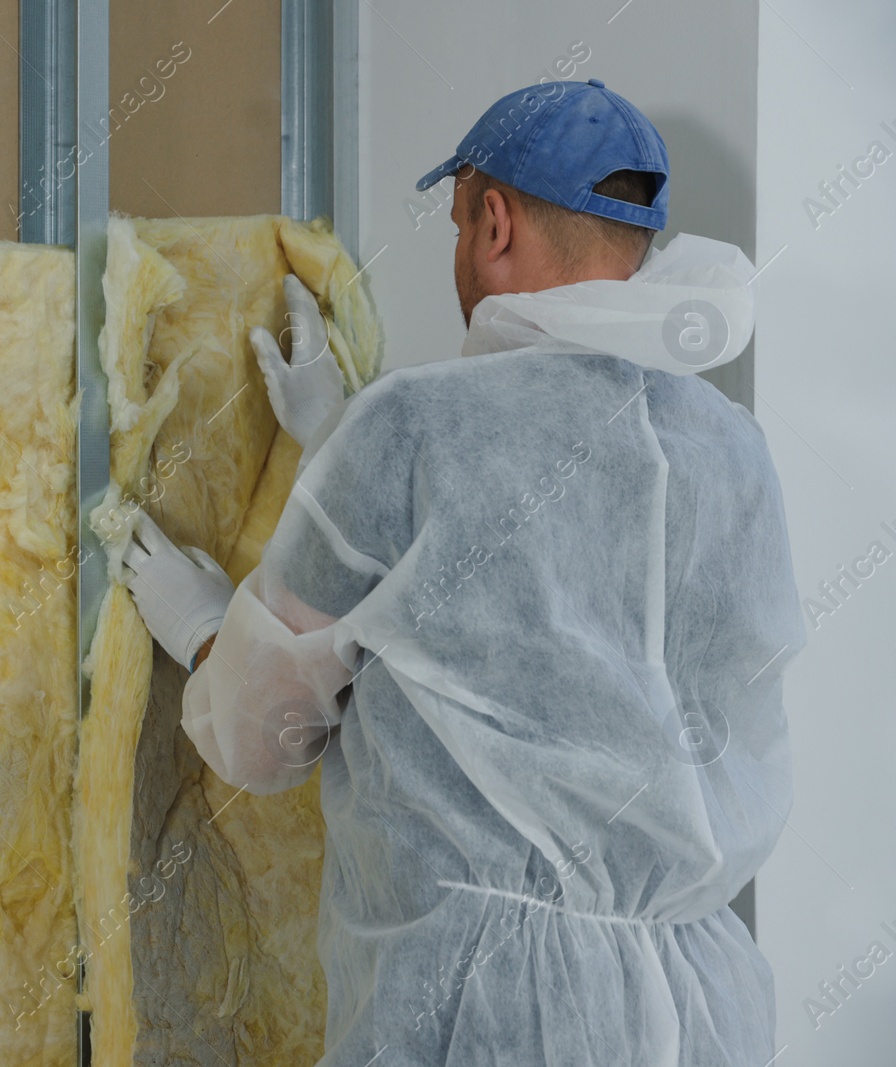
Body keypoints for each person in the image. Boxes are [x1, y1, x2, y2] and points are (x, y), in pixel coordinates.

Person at [114, 79, 805, 1066]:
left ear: (492, 220)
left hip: (484, 1012)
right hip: (704, 1008)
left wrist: (204, 625)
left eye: (453, 222)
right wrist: (339, 449)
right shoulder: (734, 450)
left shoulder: (411, 431)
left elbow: (263, 733)